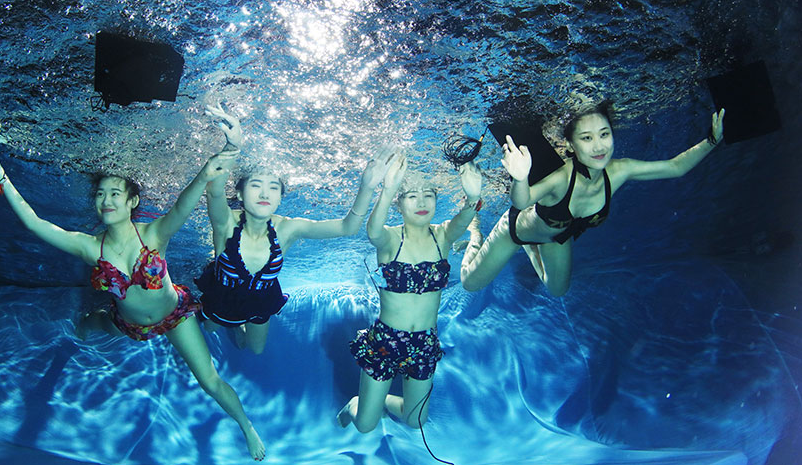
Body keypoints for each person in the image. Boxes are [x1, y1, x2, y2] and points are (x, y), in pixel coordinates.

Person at [0, 128, 267, 461]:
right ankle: (84, 324)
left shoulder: (154, 234)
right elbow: (36, 224)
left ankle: (247, 427)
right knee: (96, 323)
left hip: (174, 316)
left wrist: (217, 161)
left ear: (131, 200)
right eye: (100, 195)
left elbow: (186, 200)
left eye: (114, 193)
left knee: (209, 379)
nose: (106, 201)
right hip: (129, 323)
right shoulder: (91, 247)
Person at [460, 101, 725, 297]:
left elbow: (675, 167)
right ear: (572, 145)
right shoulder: (562, 178)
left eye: (604, 134)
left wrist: (712, 141)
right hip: (516, 229)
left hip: (555, 236)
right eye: (586, 138)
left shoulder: (620, 170)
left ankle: (532, 246)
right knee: (470, 283)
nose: (599, 146)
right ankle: (474, 232)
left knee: (557, 290)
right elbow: (520, 202)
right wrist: (520, 177)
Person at [194, 105, 396, 355]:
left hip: (260, 301)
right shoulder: (226, 222)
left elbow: (348, 227)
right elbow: (213, 190)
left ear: (280, 196)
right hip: (222, 295)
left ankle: (238, 328)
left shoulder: (289, 227)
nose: (265, 193)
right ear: (240, 193)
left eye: (273, 188)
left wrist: (367, 187)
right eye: (256, 186)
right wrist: (233, 147)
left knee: (255, 349)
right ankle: (228, 320)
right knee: (211, 328)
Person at [337, 153, 482, 433]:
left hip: (425, 342)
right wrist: (388, 188)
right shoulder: (391, 238)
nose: (422, 202)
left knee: (416, 420)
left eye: (429, 195)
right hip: (386, 340)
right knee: (365, 426)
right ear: (399, 204)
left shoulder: (443, 236)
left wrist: (472, 195)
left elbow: (464, 218)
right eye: (412, 196)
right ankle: (358, 404)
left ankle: (378, 401)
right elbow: (373, 230)